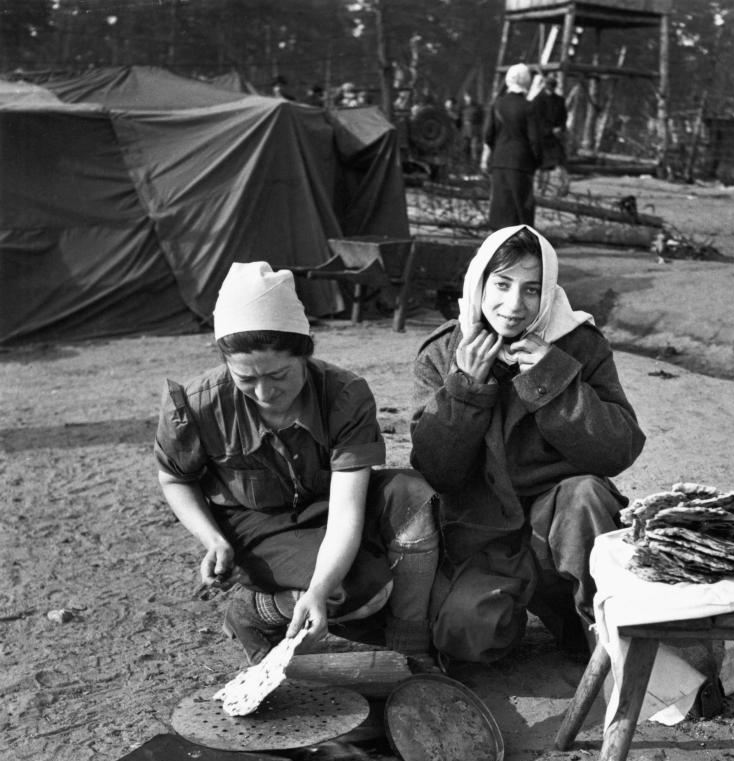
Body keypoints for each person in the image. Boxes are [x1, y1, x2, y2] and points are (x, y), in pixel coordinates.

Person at [155, 262, 439, 668]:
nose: (265, 392)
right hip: (253, 525)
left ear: (306, 352)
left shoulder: (343, 395)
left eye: (279, 375)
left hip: (328, 509)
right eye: (245, 379)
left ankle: (410, 645)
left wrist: (318, 589)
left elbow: (344, 513)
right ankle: (252, 613)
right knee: (359, 587)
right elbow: (175, 478)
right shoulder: (200, 403)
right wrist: (213, 540)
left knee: (412, 496)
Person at [410, 226, 645, 664]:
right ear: (479, 283)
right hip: (482, 534)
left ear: (549, 293)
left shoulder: (579, 344)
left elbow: (618, 451)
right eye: (501, 285)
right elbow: (435, 471)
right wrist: (465, 389)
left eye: (532, 290)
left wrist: (553, 379)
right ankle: (507, 606)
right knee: (465, 637)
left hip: (564, 530)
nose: (514, 305)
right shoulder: (443, 352)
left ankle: (603, 636)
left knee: (587, 494)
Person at [481, 63, 542, 229]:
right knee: (521, 208)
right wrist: (538, 161)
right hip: (522, 163)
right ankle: (521, 246)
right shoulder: (529, 107)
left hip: (499, 161)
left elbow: (487, 135)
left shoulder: (496, 104)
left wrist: (496, 151)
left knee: (500, 206)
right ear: (527, 82)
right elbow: (535, 140)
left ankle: (499, 242)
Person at [534, 76, 570, 196]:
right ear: (545, 86)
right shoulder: (538, 100)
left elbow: (564, 117)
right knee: (544, 165)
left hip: (557, 137)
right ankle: (542, 188)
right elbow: (537, 120)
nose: (551, 88)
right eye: (549, 85)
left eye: (553, 85)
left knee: (561, 162)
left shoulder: (559, 100)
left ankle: (564, 188)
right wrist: (549, 130)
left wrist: (561, 128)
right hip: (543, 137)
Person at [459, 91, 484, 166]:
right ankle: (465, 165)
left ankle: (475, 165)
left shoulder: (478, 107)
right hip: (465, 131)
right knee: (465, 148)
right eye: (467, 97)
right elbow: (460, 120)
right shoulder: (463, 108)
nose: (468, 99)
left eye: (469, 97)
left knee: (474, 149)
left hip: (475, 131)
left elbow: (481, 119)